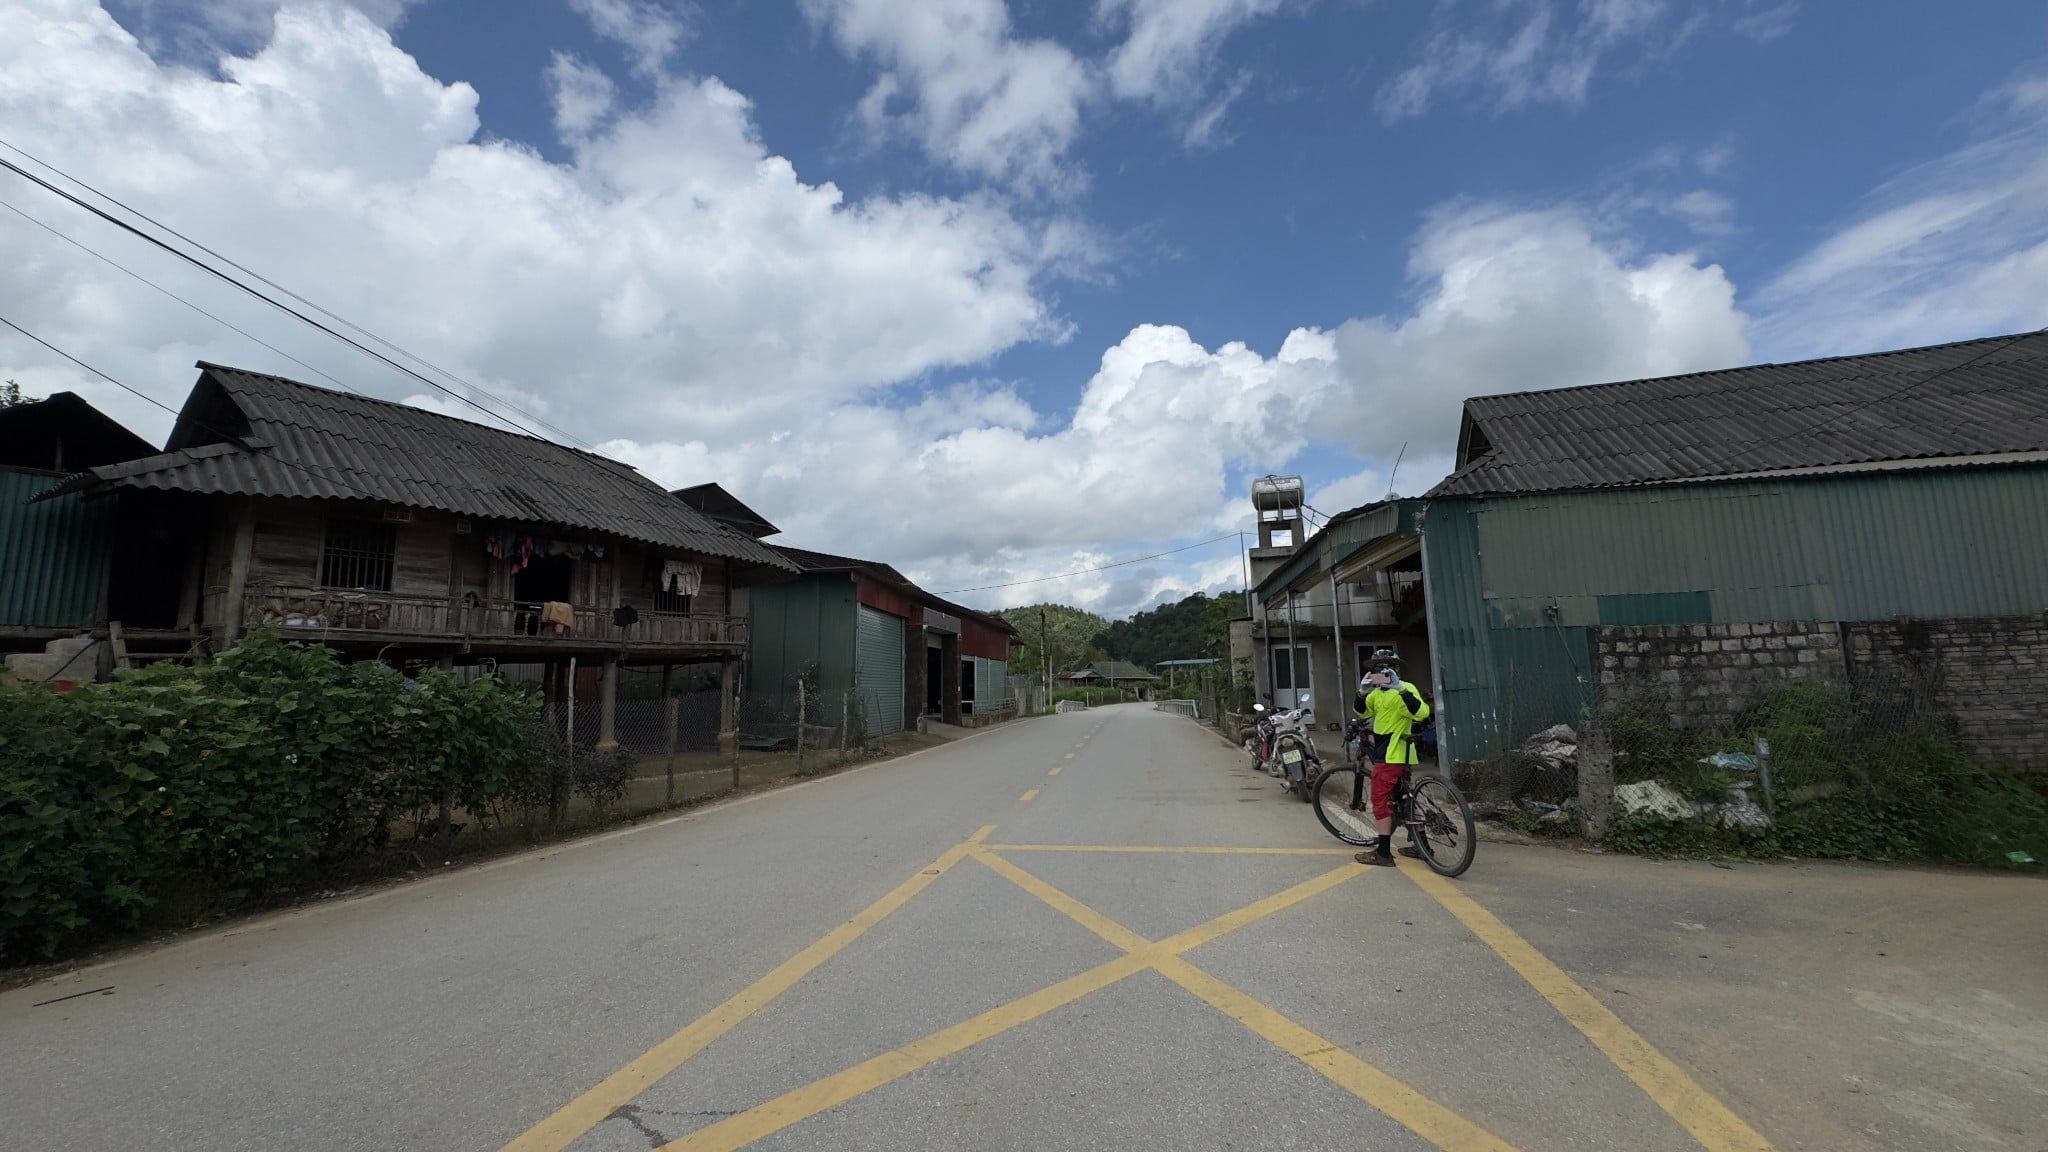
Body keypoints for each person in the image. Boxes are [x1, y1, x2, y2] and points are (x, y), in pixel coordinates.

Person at [1352, 648, 1430, 866]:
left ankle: (1384, 853)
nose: (1383, 672)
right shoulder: (1376, 694)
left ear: (1396, 670)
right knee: (1405, 799)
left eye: (1388, 667)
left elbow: (1422, 713)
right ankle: (1422, 845)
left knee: (1379, 801)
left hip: (1390, 755)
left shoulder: (1405, 688)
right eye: (1378, 668)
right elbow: (1362, 712)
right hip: (1400, 754)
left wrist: (1400, 689)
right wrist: (1361, 692)